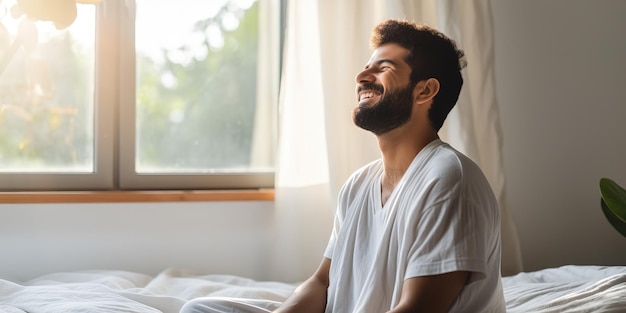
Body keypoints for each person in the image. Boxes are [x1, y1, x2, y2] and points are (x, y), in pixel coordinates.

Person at [180, 19, 505, 313]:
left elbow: (419, 309)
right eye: (366, 67)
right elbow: (322, 283)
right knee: (199, 309)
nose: (362, 76)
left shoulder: (449, 179)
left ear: (425, 91)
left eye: (383, 68)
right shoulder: (358, 184)